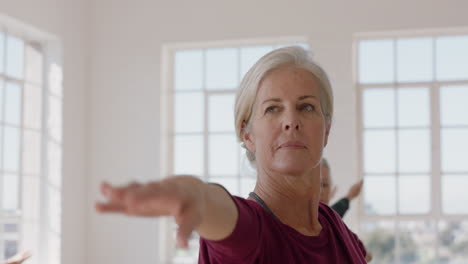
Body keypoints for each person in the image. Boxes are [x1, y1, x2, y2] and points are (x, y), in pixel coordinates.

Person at [96, 46, 371, 263]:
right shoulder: (249, 234)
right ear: (247, 133)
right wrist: (196, 194)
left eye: (307, 107)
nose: (291, 120)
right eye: (273, 109)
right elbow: (219, 210)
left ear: (327, 129)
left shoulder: (338, 231)